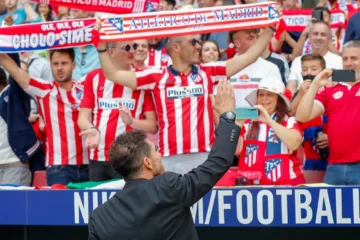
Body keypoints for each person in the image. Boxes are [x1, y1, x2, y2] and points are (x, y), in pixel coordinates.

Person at [94, 18, 275, 174]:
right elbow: (113, 75)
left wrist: (270, 29)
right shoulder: (157, 76)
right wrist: (102, 48)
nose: (199, 47)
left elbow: (249, 57)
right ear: (176, 47)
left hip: (202, 156)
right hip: (168, 158)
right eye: (193, 43)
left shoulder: (208, 71)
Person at [88, 79, 240, 240]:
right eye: (156, 150)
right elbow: (217, 162)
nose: (160, 154)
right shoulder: (169, 188)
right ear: (147, 162)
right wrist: (227, 117)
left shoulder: (99, 217)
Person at [0, 49, 89, 186]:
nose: (59, 68)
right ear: (50, 65)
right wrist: (5, 31)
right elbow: (15, 71)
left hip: (89, 164)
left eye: (64, 63)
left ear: (73, 65)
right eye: (55, 64)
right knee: (60, 208)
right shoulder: (44, 89)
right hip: (59, 168)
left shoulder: (86, 88)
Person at [78, 41, 158, 181]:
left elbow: (152, 126)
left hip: (131, 159)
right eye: (127, 47)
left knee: (131, 202)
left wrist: (132, 122)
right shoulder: (93, 77)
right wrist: (92, 130)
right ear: (111, 52)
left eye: (134, 46)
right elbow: (82, 118)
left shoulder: (141, 79)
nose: (133, 51)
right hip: (99, 156)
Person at [296, 40, 360, 185]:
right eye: (345, 59)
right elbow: (302, 115)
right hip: (334, 167)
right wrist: (315, 84)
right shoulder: (330, 88)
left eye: (354, 58)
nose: (348, 63)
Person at [235, 76, 305, 186]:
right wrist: (238, 127)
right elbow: (236, 151)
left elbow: (294, 143)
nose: (264, 99)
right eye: (261, 94)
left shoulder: (289, 121)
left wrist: (269, 121)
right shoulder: (247, 122)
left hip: (288, 183)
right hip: (253, 185)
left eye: (269, 94)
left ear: (279, 99)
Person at [0, 53, 43, 186]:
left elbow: (15, 74)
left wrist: (8, 44)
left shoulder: (12, 95)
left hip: (13, 165)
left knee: (11, 207)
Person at [289, 54, 329, 183]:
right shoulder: (299, 91)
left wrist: (331, 136)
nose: (309, 73)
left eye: (313, 69)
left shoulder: (332, 89)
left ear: (323, 71)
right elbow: (290, 114)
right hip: (306, 151)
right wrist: (301, 93)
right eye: (305, 69)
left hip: (330, 147)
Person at [287, 21, 343, 94]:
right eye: (315, 34)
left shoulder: (339, 62)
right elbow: (291, 87)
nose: (319, 37)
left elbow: (343, 88)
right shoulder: (297, 61)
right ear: (309, 37)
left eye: (323, 34)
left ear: (329, 39)